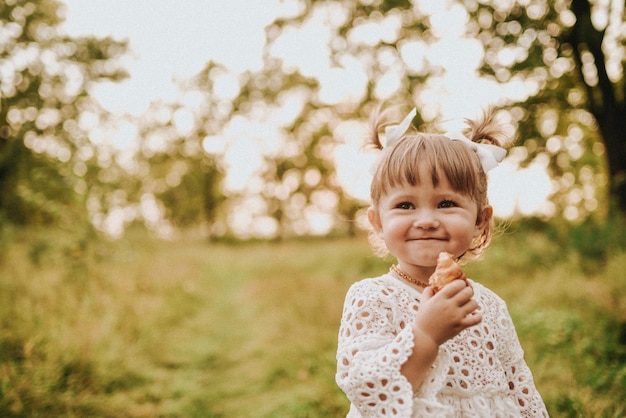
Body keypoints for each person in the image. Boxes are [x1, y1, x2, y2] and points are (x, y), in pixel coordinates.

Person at [335, 107, 548, 417]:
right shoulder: (372, 298)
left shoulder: (489, 305)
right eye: (405, 205)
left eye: (446, 203)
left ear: (480, 220)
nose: (426, 220)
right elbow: (368, 390)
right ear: (378, 222)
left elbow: (519, 387)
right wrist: (425, 334)